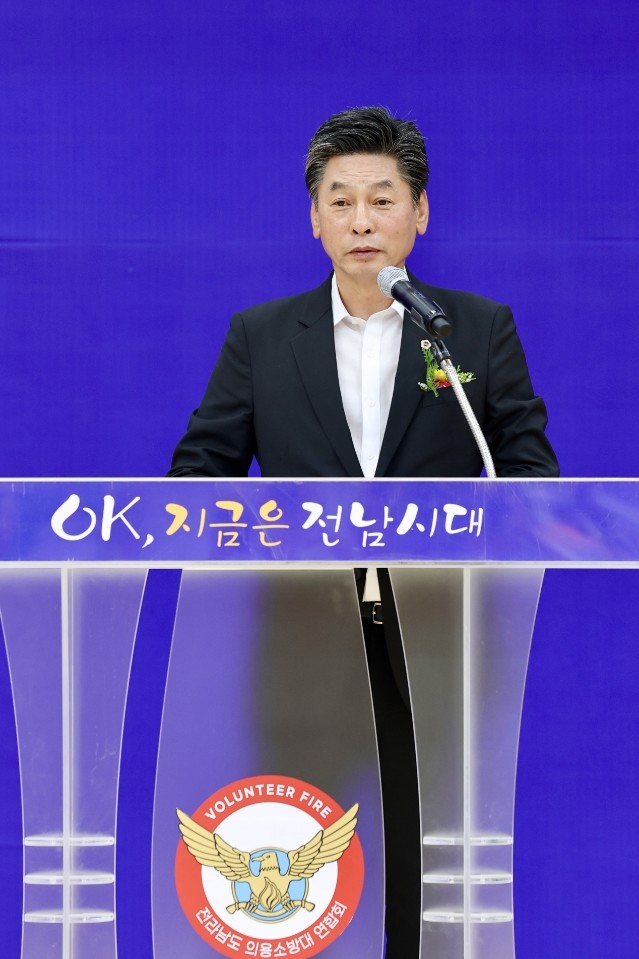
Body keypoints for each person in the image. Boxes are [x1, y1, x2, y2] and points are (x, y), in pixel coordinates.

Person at [168, 106, 559, 957]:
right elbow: (197, 477)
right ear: (313, 219)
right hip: (302, 638)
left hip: (441, 638)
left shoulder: (472, 329)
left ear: (420, 212)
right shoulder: (262, 335)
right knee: (296, 861)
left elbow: (529, 476)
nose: (361, 221)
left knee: (427, 859)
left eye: (381, 200)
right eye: (339, 201)